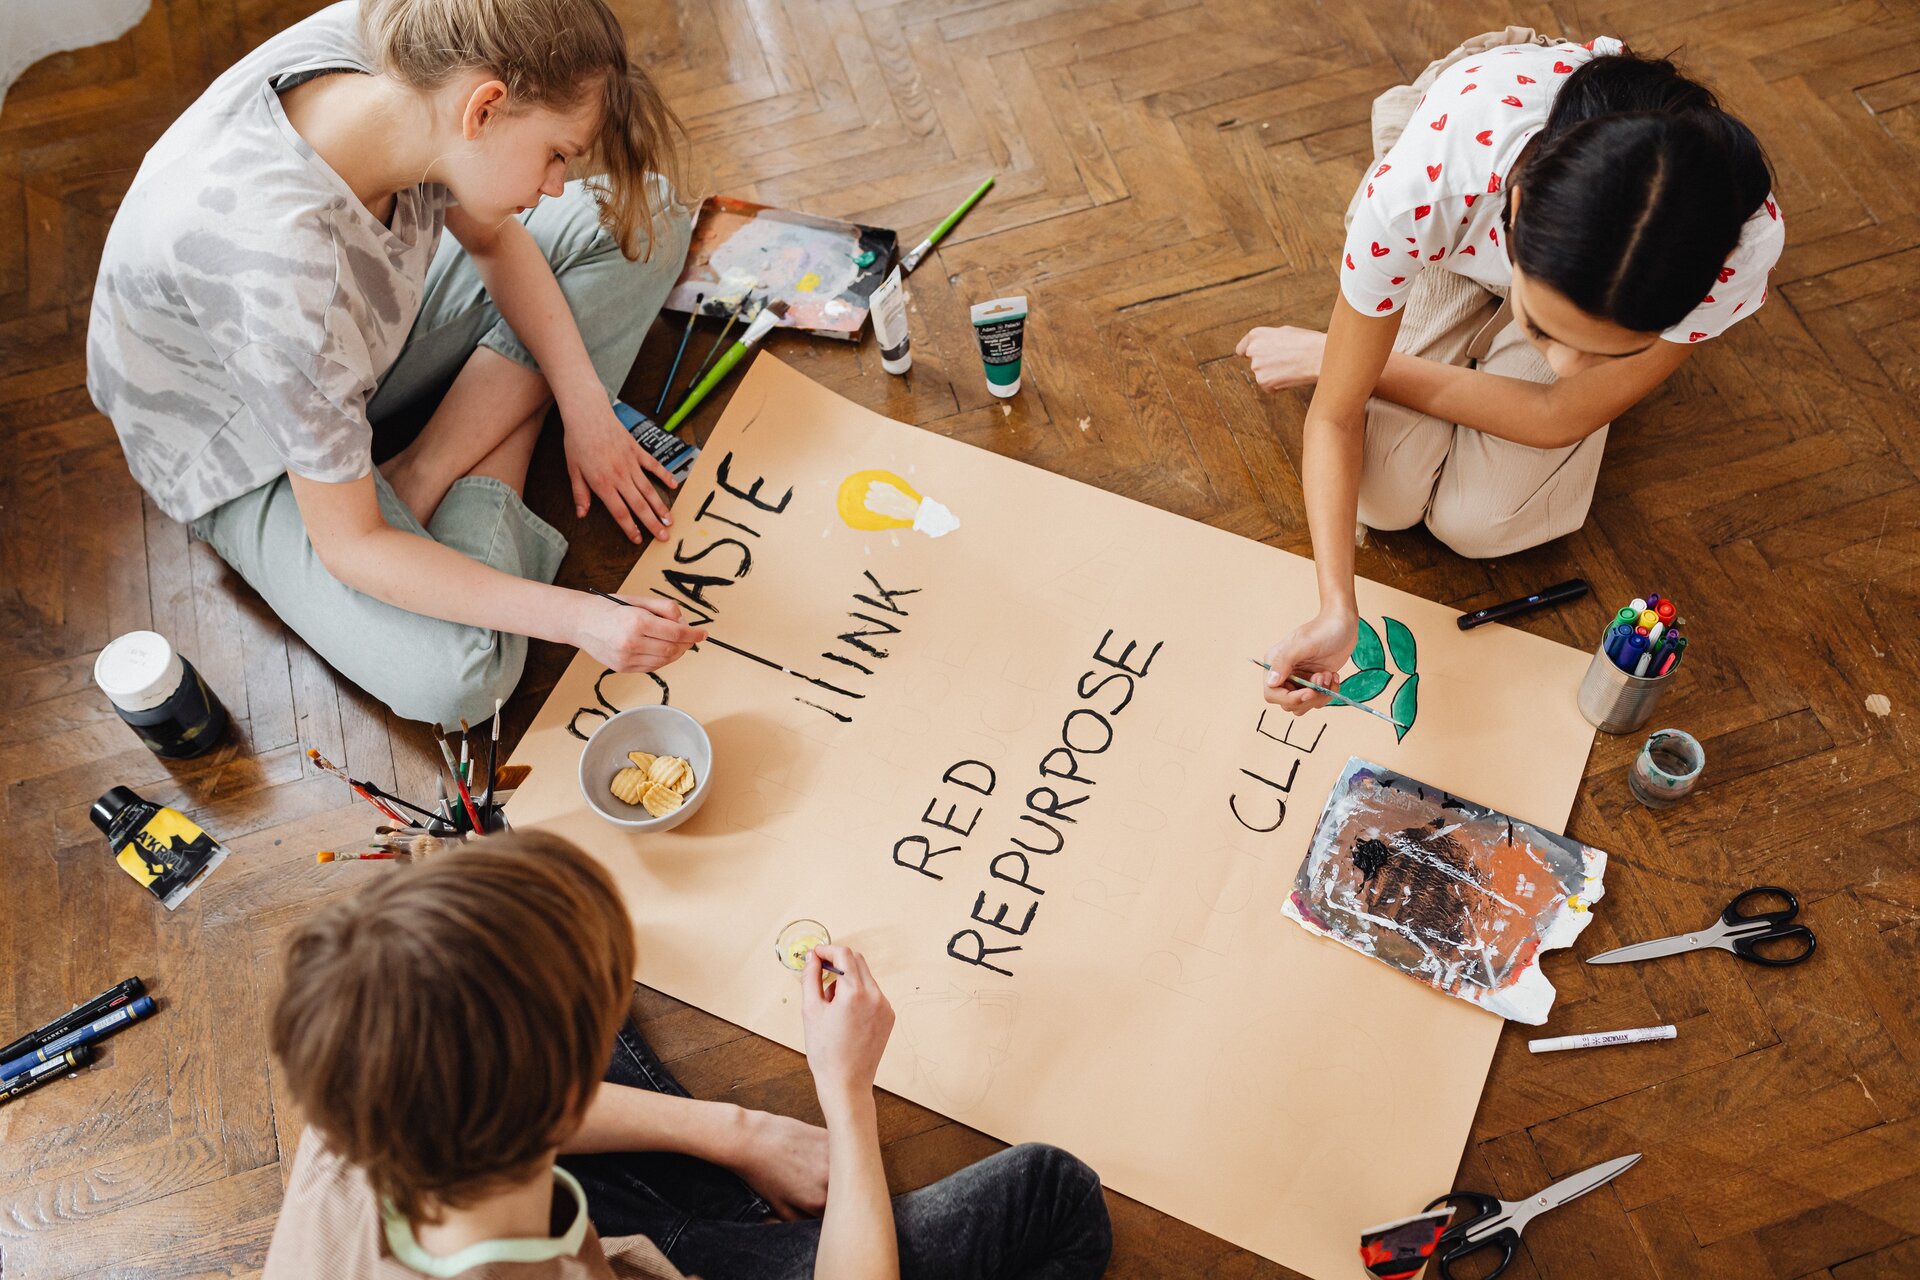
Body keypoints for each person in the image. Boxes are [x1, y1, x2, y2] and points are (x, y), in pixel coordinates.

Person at [87, 0, 707, 728]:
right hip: (240, 443)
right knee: (467, 678)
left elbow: (492, 239)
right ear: (485, 111)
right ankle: (496, 437)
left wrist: (585, 408)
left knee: (650, 216)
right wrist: (585, 619)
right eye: (557, 154)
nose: (556, 186)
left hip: (361, 338)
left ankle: (425, 467)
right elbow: (352, 543)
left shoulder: (422, 55)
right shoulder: (283, 277)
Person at [263, 831, 1113, 1279]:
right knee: (1057, 1196)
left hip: (571, 1221)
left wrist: (737, 1132)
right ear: (563, 1096)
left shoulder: (370, 1070)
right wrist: (845, 1091)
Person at [1239, 29, 1780, 713]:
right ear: (1517, 211)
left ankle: (1406, 340)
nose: (1563, 365)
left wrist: (1337, 359)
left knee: (1483, 521)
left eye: (1609, 349)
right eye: (1547, 331)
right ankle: (1518, 319)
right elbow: (1336, 415)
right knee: (1383, 491)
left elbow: (1560, 414)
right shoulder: (1428, 184)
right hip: (1460, 216)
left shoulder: (1735, 252)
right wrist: (1335, 607)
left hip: (1515, 245)